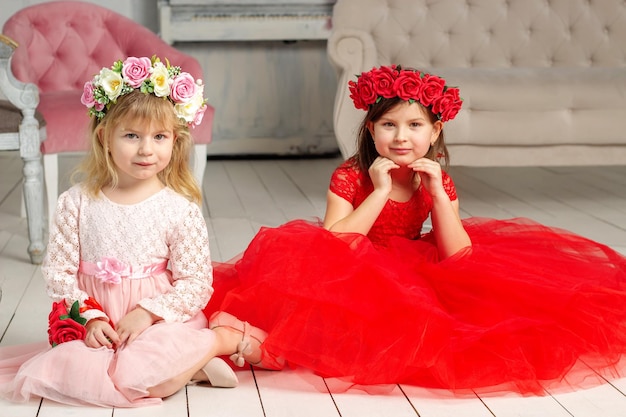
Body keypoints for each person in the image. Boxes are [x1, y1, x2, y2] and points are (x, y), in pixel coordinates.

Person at [204, 64, 626, 395]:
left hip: (413, 266)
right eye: (389, 125)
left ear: (435, 130)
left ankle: (237, 349)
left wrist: (440, 198)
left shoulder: (436, 180)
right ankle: (228, 345)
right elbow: (333, 244)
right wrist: (380, 191)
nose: (401, 137)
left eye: (414, 126)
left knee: (463, 317)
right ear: (371, 129)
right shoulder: (351, 176)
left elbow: (458, 256)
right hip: (349, 268)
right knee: (321, 319)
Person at [0, 55, 249, 407]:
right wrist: (89, 318)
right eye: (132, 135)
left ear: (174, 141)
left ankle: (215, 341)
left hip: (159, 324)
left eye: (159, 136)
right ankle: (194, 369)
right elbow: (58, 273)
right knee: (71, 373)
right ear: (105, 137)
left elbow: (196, 282)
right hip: (101, 325)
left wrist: (148, 313)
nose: (147, 149)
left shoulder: (179, 209)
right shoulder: (77, 203)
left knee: (135, 375)